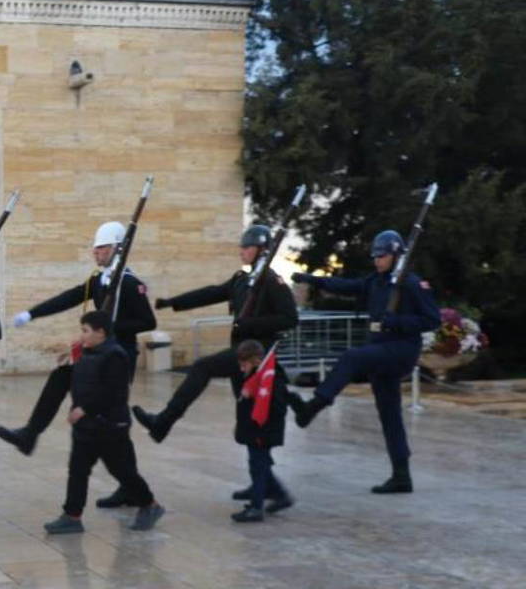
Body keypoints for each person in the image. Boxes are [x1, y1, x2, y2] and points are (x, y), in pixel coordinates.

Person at [0, 219, 156, 508]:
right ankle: (30, 434)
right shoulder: (99, 280)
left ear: (118, 249)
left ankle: (129, 486)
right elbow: (67, 298)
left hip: (119, 357)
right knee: (61, 377)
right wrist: (32, 314)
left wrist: (110, 326)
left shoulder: (131, 284)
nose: (97, 254)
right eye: (95, 249)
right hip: (97, 355)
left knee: (113, 423)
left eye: (102, 249)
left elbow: (148, 321)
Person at [288, 229, 440, 493]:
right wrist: (311, 279)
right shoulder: (376, 281)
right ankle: (401, 476)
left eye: (382, 256)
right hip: (380, 351)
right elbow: (345, 286)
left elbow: (432, 319)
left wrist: (398, 322)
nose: (377, 260)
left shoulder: (411, 283)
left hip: (401, 350)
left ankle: (315, 404)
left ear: (395, 256)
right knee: (389, 415)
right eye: (375, 256)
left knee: (351, 356)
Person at [132, 224, 297, 443]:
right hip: (240, 350)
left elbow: (290, 318)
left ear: (262, 250)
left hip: (258, 354)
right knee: (246, 413)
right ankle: (262, 474)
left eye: (248, 247)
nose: (242, 250)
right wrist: (173, 302)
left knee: (203, 367)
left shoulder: (272, 282)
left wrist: (250, 325)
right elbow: (210, 293)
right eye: (243, 246)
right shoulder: (241, 279)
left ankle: (163, 422)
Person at [43, 312, 164, 535]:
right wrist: (68, 361)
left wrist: (84, 409)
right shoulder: (88, 352)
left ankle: (150, 505)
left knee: (122, 471)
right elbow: (83, 379)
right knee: (77, 471)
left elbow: (113, 393)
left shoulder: (115, 355)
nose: (82, 335)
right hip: (86, 428)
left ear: (101, 332)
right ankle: (72, 516)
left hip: (110, 427)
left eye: (86, 330)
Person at [230, 339, 292, 523]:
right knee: (259, 465)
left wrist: (259, 427)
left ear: (257, 361)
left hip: (262, 432)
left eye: (244, 365)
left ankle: (256, 508)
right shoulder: (255, 375)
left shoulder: (270, 378)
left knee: (258, 467)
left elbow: (275, 407)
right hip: (254, 432)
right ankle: (281, 496)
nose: (242, 369)